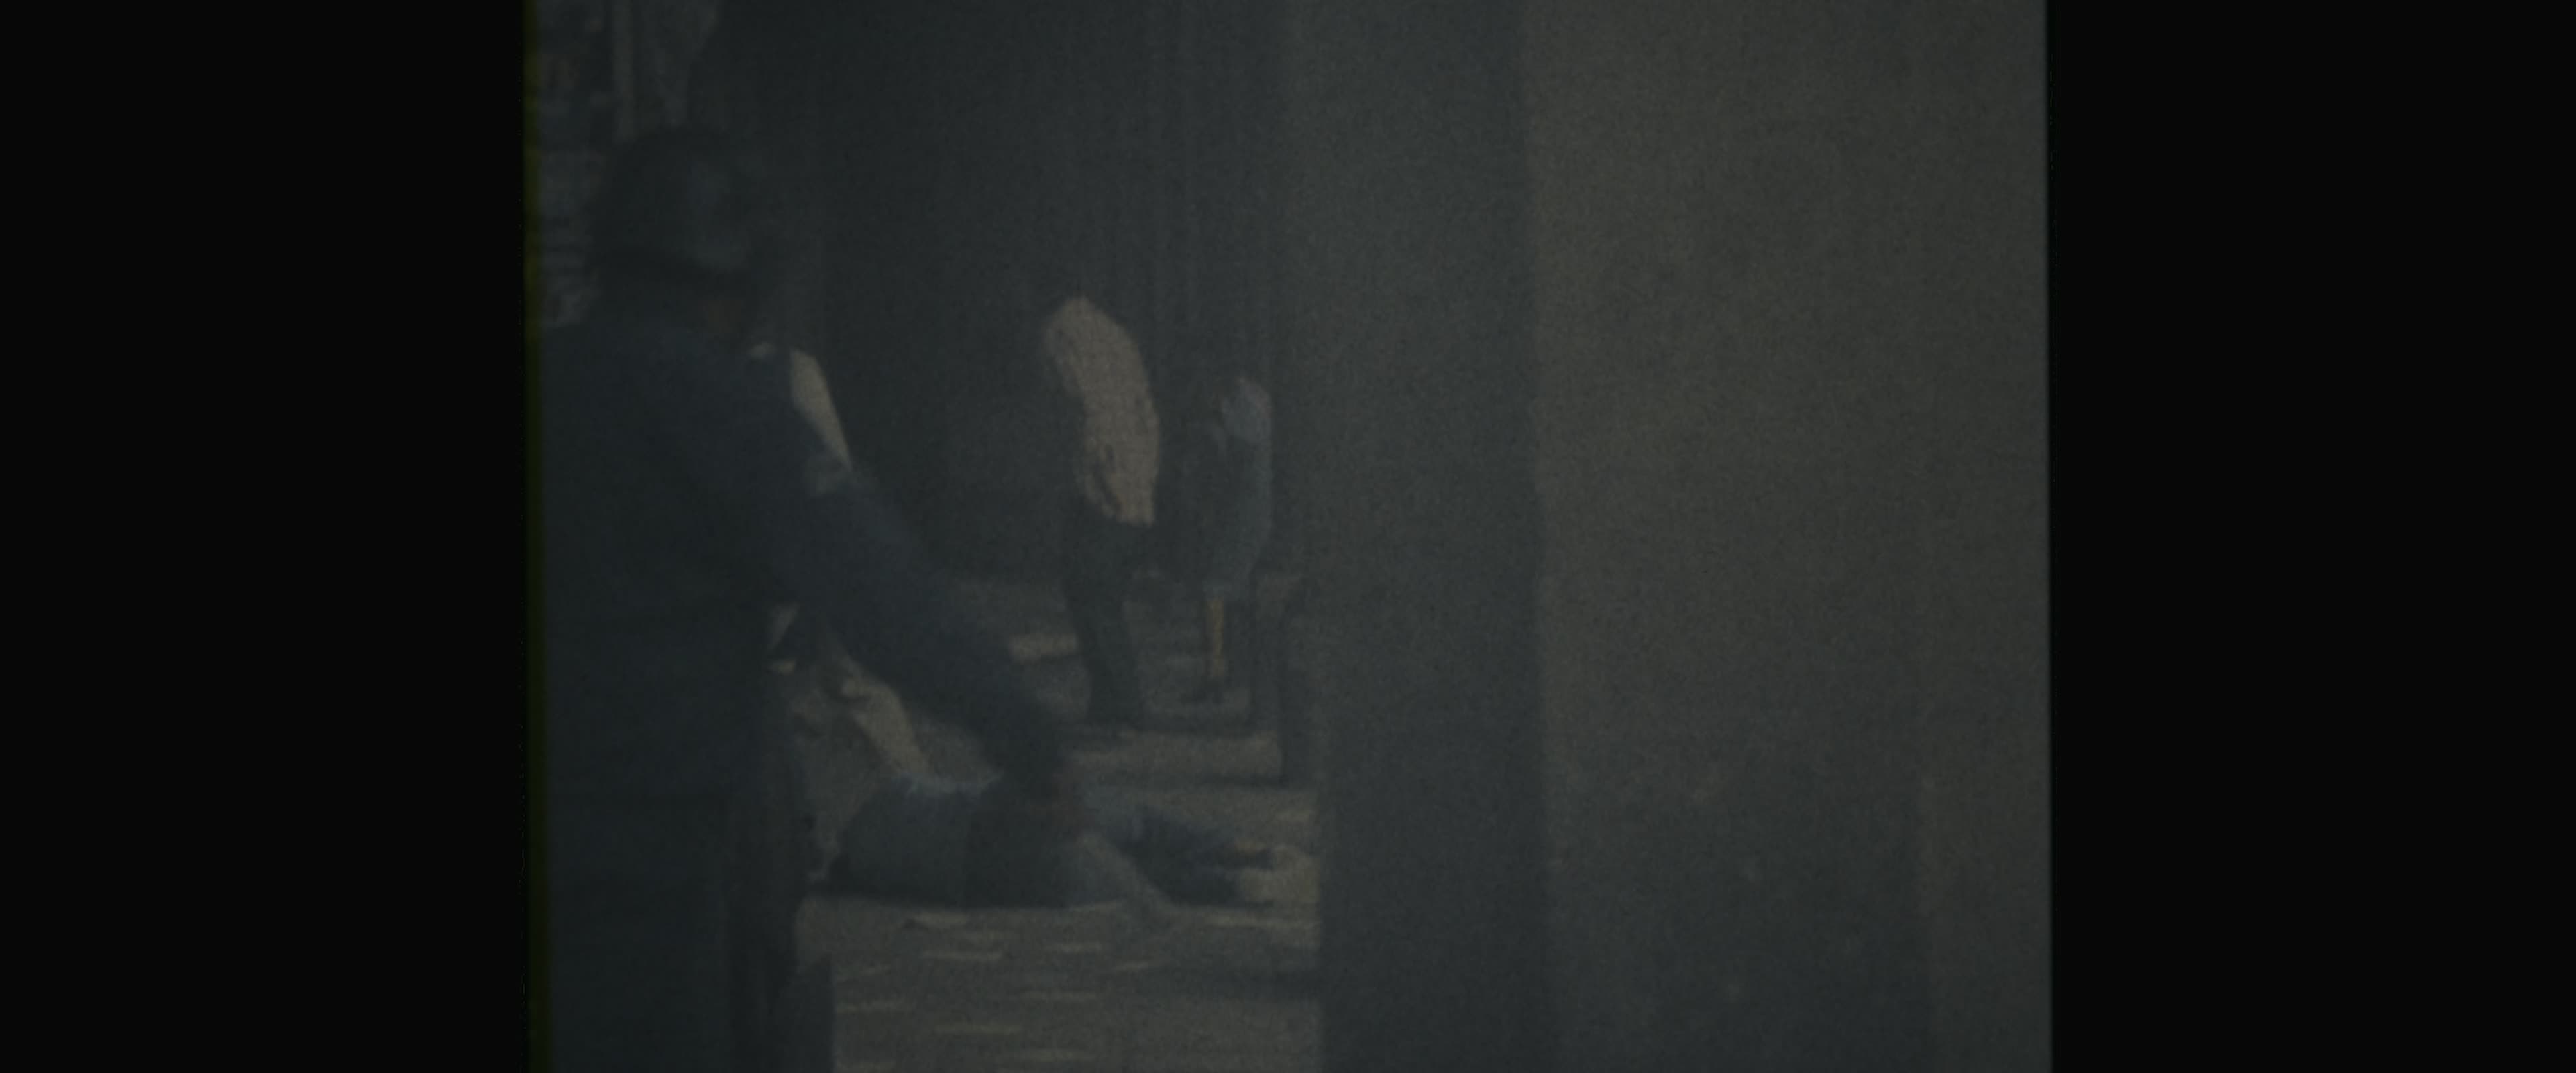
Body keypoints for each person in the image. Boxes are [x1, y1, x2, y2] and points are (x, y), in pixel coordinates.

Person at [539, 127, 1083, 1073]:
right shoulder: (733, 411)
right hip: (662, 854)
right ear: (737, 278)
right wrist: (1028, 738)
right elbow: (884, 592)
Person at [1007, 262, 1161, 737]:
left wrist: (1106, 486)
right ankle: (1112, 702)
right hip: (1134, 476)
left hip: (1100, 484)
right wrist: (1145, 477)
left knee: (1092, 596)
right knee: (1102, 595)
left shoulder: (1058, 334)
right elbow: (1144, 409)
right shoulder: (1113, 331)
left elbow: (1088, 412)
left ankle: (1122, 708)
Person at [826, 771, 1307, 909]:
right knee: (1146, 825)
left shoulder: (871, 869)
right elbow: (954, 790)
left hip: (988, 874)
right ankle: (1257, 852)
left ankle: (1240, 885)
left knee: (1141, 875)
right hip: (1001, 811)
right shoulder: (890, 795)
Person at [1177, 362, 1274, 705]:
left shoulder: (1232, 406)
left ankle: (1216, 672)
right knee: (1235, 589)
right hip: (1251, 508)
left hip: (1242, 510)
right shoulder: (1253, 396)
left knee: (1215, 589)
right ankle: (1236, 669)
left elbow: (1223, 462)